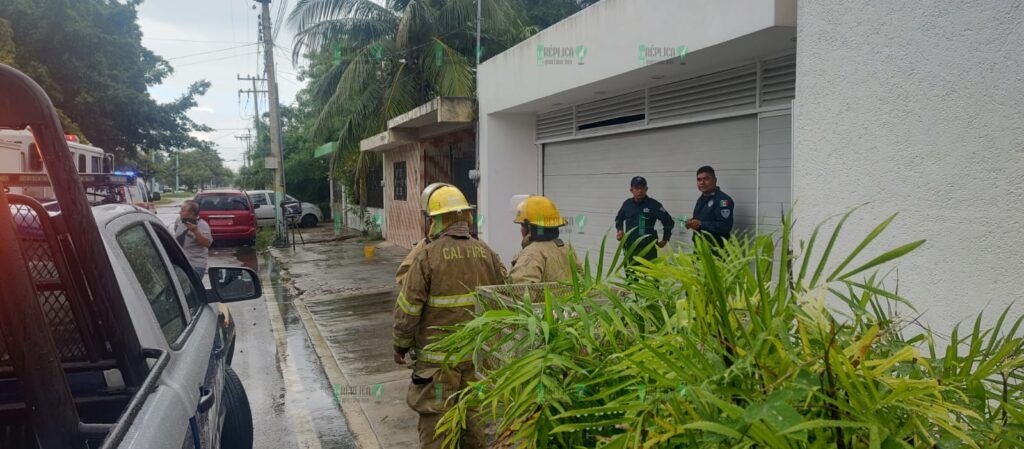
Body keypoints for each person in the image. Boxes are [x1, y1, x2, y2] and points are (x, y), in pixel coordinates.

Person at [392, 184, 506, 449]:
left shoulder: (427, 256)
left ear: (436, 220)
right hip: (476, 364)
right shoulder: (487, 252)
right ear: (465, 217)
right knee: (474, 423)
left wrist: (400, 344)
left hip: (438, 370)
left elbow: (408, 308)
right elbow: (502, 297)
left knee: (438, 426)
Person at [509, 195, 576, 284]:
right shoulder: (567, 248)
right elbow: (581, 279)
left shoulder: (531, 255)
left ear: (529, 227)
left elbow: (522, 294)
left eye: (522, 225)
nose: (521, 230)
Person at [614, 176, 674, 266]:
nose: (640, 191)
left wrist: (665, 238)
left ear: (646, 189)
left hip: (647, 248)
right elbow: (619, 218)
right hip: (630, 247)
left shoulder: (654, 205)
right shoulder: (627, 204)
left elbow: (668, 221)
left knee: (648, 276)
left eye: (642, 188)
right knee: (631, 276)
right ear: (631, 190)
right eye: (637, 188)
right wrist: (620, 230)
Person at [686, 165, 735, 246]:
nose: (702, 182)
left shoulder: (722, 200)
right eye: (699, 179)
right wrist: (691, 222)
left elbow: (725, 226)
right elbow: (704, 218)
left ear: (715, 180)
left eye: (706, 179)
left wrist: (700, 224)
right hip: (700, 247)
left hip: (716, 250)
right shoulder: (702, 198)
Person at [173, 200, 212, 280]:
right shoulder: (179, 221)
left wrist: (196, 232)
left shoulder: (202, 225)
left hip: (195, 266)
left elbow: (207, 244)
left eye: (183, 210)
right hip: (181, 264)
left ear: (192, 213)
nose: (180, 212)